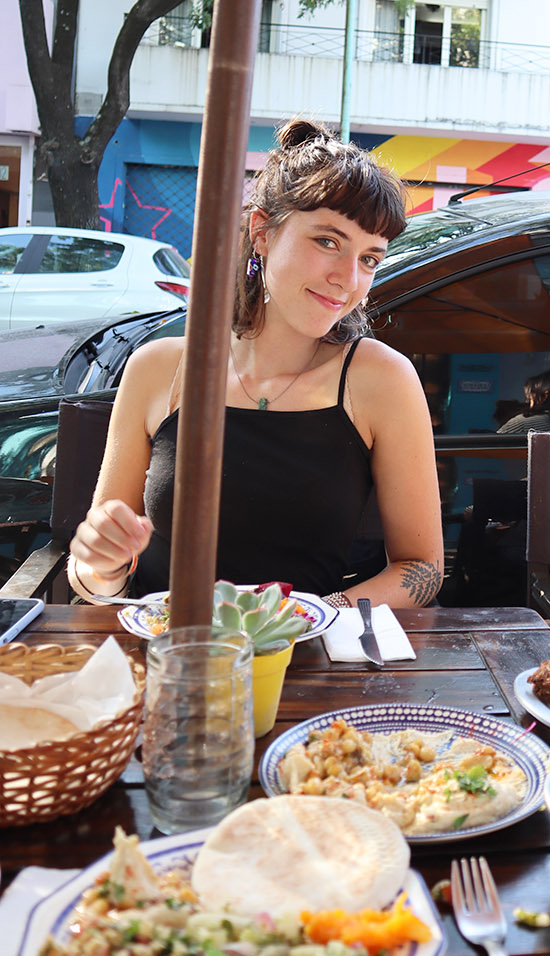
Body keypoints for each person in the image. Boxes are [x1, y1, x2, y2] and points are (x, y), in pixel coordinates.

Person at [68, 118, 443, 609]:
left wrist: (315, 615)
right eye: (327, 241)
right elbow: (94, 579)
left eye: (369, 258)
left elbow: (423, 569)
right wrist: (100, 560)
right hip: (161, 652)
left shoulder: (380, 378)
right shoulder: (158, 368)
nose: (347, 278)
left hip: (302, 661)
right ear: (261, 232)